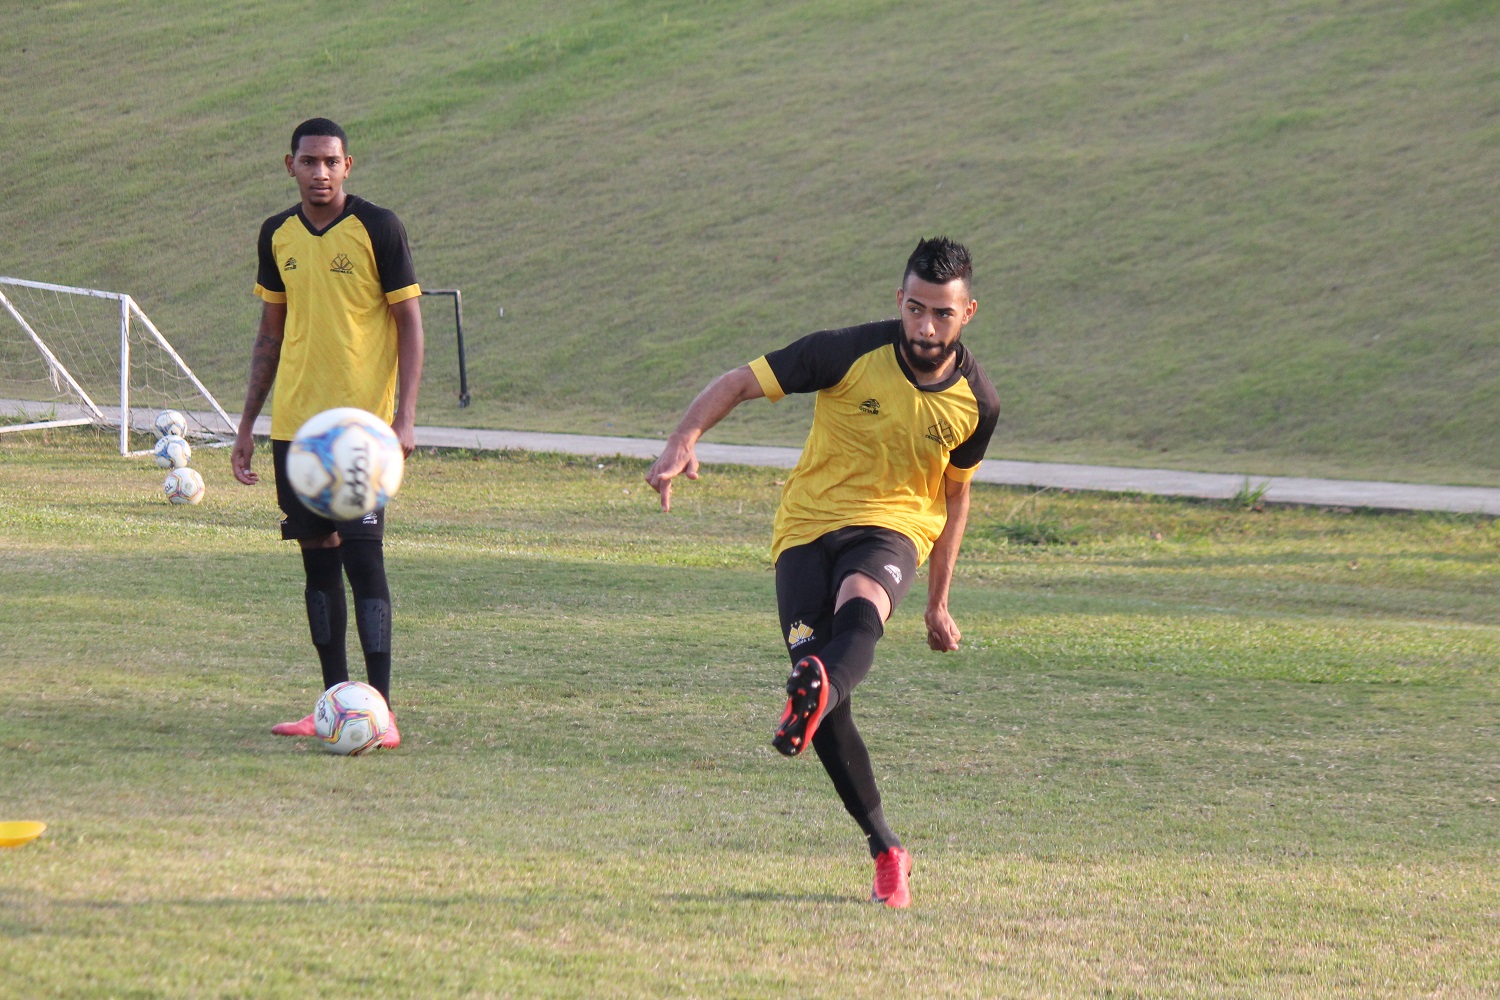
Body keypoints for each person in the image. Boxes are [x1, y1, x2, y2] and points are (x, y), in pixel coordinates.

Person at [645, 237, 998, 909]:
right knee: (821, 697)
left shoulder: (977, 401)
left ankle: (821, 691)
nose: (926, 328)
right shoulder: (846, 352)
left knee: (859, 611)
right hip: (806, 530)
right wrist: (682, 439)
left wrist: (938, 602)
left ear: (968, 313)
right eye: (916, 309)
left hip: (893, 530)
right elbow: (740, 381)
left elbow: (956, 498)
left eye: (942, 315)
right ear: (899, 300)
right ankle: (886, 847)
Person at [231, 117, 425, 748]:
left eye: (331, 162)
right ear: (290, 165)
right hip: (296, 429)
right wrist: (247, 424)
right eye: (309, 161)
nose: (320, 172)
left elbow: (410, 323)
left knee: (364, 560)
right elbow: (270, 333)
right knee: (318, 564)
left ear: (348, 165)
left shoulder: (379, 227)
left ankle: (382, 713)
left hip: (360, 431)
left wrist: (404, 417)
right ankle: (334, 706)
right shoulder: (277, 233)